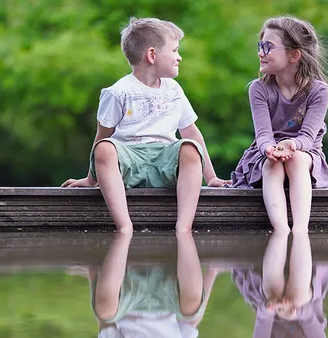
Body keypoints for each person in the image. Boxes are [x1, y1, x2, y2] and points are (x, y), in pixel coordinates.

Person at [61, 17, 230, 232]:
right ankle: (124, 226)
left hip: (166, 161)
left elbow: (193, 133)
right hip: (129, 161)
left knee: (189, 147)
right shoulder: (119, 92)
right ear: (152, 55)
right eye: (175, 51)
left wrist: (212, 177)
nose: (179, 57)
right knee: (104, 148)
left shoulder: (174, 90)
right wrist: (90, 178)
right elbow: (102, 137)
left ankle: (183, 227)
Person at [229, 16, 328, 233]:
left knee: (294, 160)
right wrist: (269, 149)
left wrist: (291, 145)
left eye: (268, 47)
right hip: (268, 152)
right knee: (272, 165)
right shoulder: (258, 89)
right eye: (260, 45)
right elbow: (263, 134)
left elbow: (307, 138)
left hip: (305, 153)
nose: (260, 52)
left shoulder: (319, 91)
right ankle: (281, 231)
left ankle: (300, 231)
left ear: (294, 55)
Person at [68, 231, 220, 337]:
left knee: (104, 312)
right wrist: (212, 272)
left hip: (126, 302)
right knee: (192, 309)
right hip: (166, 299)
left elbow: (105, 324)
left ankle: (94, 266)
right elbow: (191, 322)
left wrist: (93, 273)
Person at [232, 231, 328, 337]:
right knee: (298, 299)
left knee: (273, 294)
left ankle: (280, 231)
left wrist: (271, 307)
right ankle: (300, 231)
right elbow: (309, 317)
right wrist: (294, 313)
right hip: (306, 288)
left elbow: (262, 319)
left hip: (266, 290)